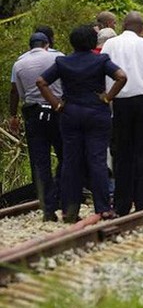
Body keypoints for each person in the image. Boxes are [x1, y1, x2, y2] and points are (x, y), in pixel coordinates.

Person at [36, 25, 127, 223]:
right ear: (93, 42)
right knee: (97, 160)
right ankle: (103, 208)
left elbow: (41, 82)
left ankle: (70, 210)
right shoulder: (101, 60)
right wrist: (107, 97)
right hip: (96, 113)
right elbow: (121, 76)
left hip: (70, 114)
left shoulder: (62, 62)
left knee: (71, 162)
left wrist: (57, 104)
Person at [101, 11, 143, 216]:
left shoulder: (109, 44)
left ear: (123, 26)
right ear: (142, 27)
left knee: (122, 154)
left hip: (118, 103)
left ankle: (121, 204)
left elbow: (103, 71)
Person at [9, 33, 65, 222]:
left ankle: (48, 208)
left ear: (30, 45)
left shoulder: (19, 64)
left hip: (34, 115)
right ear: (47, 44)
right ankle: (63, 197)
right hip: (58, 110)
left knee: (40, 163)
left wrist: (13, 116)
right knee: (66, 155)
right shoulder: (58, 57)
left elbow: (18, 92)